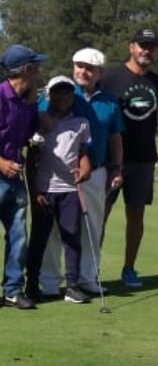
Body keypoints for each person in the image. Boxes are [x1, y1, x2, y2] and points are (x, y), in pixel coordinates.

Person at [38, 48, 124, 298]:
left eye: (90, 68)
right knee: (54, 230)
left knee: (91, 227)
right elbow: (40, 121)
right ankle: (50, 282)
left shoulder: (108, 100)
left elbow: (115, 136)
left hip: (95, 171)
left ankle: (87, 279)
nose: (83, 71)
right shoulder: (59, 91)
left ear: (100, 72)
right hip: (57, 176)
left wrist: (116, 168)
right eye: (79, 66)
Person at [103, 29, 158, 288]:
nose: (146, 50)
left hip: (144, 159)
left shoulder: (156, 82)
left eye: (151, 46)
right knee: (100, 214)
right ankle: (90, 270)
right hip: (111, 159)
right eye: (142, 45)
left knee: (136, 216)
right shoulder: (110, 76)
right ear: (131, 47)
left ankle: (129, 269)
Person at [25, 76, 92, 304]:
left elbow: (82, 151)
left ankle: (72, 286)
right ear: (49, 95)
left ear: (72, 96)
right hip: (45, 190)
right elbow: (31, 160)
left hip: (70, 190)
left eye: (67, 93)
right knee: (39, 240)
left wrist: (85, 167)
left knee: (72, 238)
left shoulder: (81, 122)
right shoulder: (39, 122)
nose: (62, 97)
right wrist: (35, 192)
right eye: (57, 92)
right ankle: (32, 285)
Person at [0, 45, 47, 309]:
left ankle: (12, 290)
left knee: (18, 235)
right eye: (36, 66)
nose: (39, 70)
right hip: (2, 172)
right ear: (27, 69)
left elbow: (29, 133)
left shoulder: (26, 101)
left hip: (15, 177)